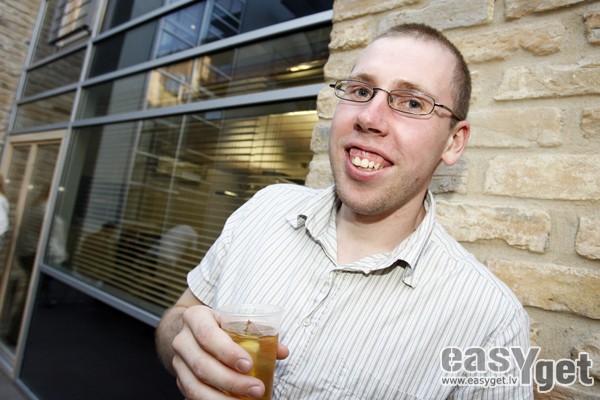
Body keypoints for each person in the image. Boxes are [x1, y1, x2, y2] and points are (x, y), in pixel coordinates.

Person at [156, 23, 532, 399]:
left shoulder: (491, 322)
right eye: (361, 91)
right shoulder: (264, 208)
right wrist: (185, 341)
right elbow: (177, 317)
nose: (369, 117)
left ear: (453, 142)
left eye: (412, 103)